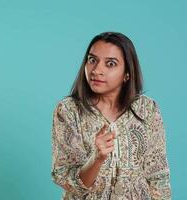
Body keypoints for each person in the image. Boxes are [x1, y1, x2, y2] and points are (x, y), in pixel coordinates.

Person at [51, 32, 171, 200]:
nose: (97, 70)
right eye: (92, 60)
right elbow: (65, 177)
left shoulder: (147, 109)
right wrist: (97, 158)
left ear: (127, 73)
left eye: (110, 64)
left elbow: (158, 176)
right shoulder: (69, 111)